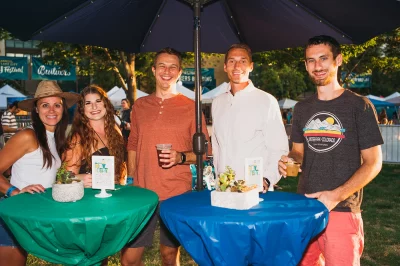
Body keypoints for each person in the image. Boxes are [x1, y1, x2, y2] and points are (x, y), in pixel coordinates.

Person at [278, 35, 383, 265]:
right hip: (305, 209)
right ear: (305, 65)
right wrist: (290, 160)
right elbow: (298, 152)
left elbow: (373, 162)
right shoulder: (302, 109)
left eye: (323, 58)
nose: (317, 66)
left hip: (342, 211)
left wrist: (335, 196)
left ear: (338, 60)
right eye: (311, 60)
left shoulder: (360, 105)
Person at [122, 47, 211, 266]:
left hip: (176, 193)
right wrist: (132, 178)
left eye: (173, 67)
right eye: (162, 65)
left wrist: (180, 157)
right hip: (142, 192)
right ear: (153, 70)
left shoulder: (191, 107)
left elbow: (204, 154)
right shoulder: (140, 106)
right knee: (129, 259)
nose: (167, 71)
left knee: (169, 255)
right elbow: (132, 143)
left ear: (179, 72)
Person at [0, 80, 79, 265]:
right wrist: (14, 191)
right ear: (36, 109)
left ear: (63, 109)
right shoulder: (28, 136)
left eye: (57, 105)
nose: (51, 110)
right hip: (14, 215)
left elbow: (50, 177)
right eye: (45, 105)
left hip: (36, 215)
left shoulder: (56, 139)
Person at [212, 43, 288, 191]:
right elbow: (217, 147)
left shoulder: (266, 101)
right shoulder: (217, 102)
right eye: (232, 61)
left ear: (251, 67)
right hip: (223, 189)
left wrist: (267, 178)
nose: (237, 66)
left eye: (243, 61)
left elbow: (279, 149)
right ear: (225, 67)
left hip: (254, 189)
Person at [63, 85, 127, 188]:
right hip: (90, 200)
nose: (94, 107)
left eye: (98, 101)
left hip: (116, 197)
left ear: (106, 104)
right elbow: (63, 177)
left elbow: (122, 166)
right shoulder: (79, 138)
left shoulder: (115, 130)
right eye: (88, 103)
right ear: (82, 109)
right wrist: (79, 179)